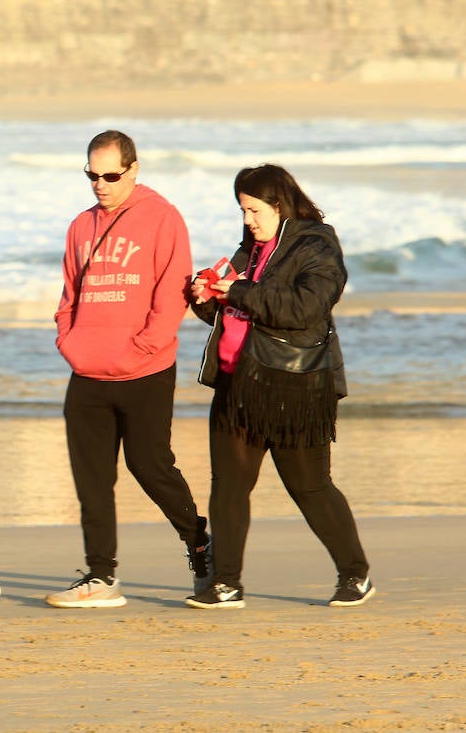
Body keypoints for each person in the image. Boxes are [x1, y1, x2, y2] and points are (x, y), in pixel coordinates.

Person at [185, 164, 373, 609]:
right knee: (228, 487)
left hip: (294, 388)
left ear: (278, 205)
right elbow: (234, 313)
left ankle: (355, 573)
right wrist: (204, 298)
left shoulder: (317, 244)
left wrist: (238, 291)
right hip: (237, 384)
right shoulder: (249, 249)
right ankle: (226, 584)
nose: (247, 219)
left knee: (310, 487)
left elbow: (306, 308)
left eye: (253, 210)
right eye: (242, 210)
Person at [45, 130, 211, 609]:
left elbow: (172, 294)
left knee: (150, 466)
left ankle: (199, 541)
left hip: (145, 371)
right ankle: (101, 576)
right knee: (92, 480)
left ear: (133, 170)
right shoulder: (80, 226)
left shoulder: (162, 217)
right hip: (87, 374)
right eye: (92, 175)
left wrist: (142, 348)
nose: (100, 184)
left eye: (111, 175)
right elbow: (69, 295)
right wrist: (69, 342)